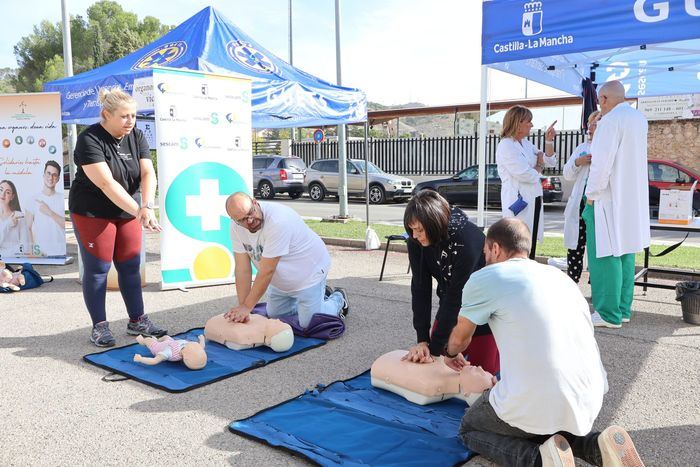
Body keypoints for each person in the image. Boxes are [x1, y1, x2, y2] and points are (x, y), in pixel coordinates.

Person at [443, 218, 643, 466]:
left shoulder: (487, 276)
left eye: (486, 253)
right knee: (543, 417)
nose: (485, 259)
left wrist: (450, 353)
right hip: (589, 395)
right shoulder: (561, 279)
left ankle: (540, 460)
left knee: (470, 428)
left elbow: (461, 339)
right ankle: (599, 445)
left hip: (539, 396)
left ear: (494, 248)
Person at [70, 87, 164, 347]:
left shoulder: (136, 135)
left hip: (128, 208)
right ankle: (99, 327)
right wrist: (140, 211)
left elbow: (148, 173)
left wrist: (147, 205)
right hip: (93, 211)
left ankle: (138, 321)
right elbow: (106, 184)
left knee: (130, 266)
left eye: (133, 115)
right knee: (98, 269)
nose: (130, 121)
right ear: (106, 114)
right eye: (124, 116)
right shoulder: (89, 139)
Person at [402, 190, 499, 374]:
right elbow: (420, 287)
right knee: (437, 370)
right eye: (411, 229)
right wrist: (423, 340)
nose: (415, 236)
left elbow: (457, 296)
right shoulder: (415, 241)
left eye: (420, 230)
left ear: (434, 223)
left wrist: (437, 350)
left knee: (482, 378)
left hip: (484, 313)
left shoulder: (466, 242)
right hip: (449, 302)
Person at [224, 192, 348, 328]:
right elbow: (243, 269)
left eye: (251, 213)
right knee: (276, 317)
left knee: (309, 324)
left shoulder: (278, 220)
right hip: (281, 281)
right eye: (242, 220)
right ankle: (318, 298)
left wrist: (247, 306)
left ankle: (337, 299)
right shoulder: (236, 227)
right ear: (234, 220)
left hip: (309, 273)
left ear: (255, 203)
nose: (249, 221)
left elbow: (267, 271)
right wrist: (243, 306)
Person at [584, 81, 650, 328]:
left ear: (603, 98)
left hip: (608, 198)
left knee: (605, 254)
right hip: (632, 198)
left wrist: (591, 195)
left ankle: (607, 313)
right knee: (625, 253)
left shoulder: (609, 122)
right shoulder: (638, 119)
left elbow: (602, 163)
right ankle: (622, 309)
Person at [496, 105, 557, 248]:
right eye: (528, 121)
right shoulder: (506, 146)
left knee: (529, 242)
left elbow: (549, 161)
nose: (532, 125)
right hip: (517, 202)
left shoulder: (526, 143)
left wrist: (549, 141)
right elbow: (526, 175)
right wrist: (539, 166)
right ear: (518, 123)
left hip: (533, 198)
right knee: (515, 243)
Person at [563, 111, 600, 283]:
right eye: (590, 124)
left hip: (598, 204)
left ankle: (596, 283)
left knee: (597, 245)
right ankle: (572, 280)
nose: (590, 128)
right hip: (580, 203)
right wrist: (578, 162)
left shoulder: (607, 146)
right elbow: (567, 174)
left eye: (595, 124)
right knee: (577, 244)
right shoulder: (581, 148)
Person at [27, 160, 65, 256]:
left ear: (58, 179)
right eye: (48, 173)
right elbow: (27, 228)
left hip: (60, 253)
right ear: (43, 175)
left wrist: (49, 212)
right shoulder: (33, 199)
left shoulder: (62, 198)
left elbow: (66, 225)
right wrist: (34, 250)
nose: (51, 178)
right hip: (41, 254)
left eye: (54, 175)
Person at [0, 179, 33, 258]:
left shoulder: (19, 216)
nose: (2, 194)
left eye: (7, 192)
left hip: (13, 262)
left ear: (12, 197)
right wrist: (8, 225)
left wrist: (3, 253)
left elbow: (25, 247)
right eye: (0, 190)